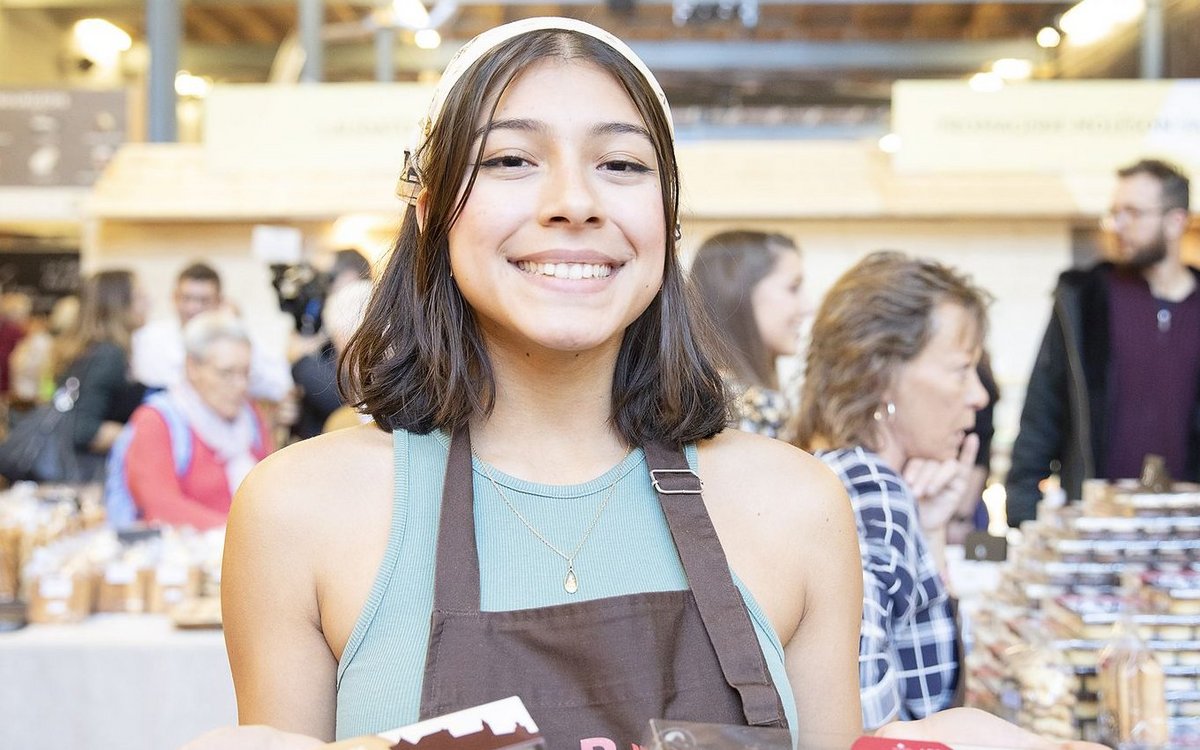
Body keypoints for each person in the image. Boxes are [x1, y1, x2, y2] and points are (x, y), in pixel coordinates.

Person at [210, 17, 863, 750]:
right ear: (431, 212)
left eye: (621, 164)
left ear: (668, 219)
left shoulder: (798, 506)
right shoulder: (298, 512)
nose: (574, 202)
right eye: (512, 159)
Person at [793, 251, 989, 730]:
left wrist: (931, 528)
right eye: (962, 369)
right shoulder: (870, 488)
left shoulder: (838, 476)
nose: (978, 395)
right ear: (881, 374)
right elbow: (868, 718)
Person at [1006, 159, 1196, 526]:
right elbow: (1042, 412)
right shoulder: (1083, 300)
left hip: (1187, 535)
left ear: (1175, 221)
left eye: (1133, 213)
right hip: (1097, 532)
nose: (1118, 226)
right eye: (1115, 213)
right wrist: (1024, 511)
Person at [106, 311, 273, 530]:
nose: (240, 385)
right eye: (226, 373)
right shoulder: (156, 421)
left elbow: (273, 487)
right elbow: (161, 508)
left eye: (245, 373)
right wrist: (239, 535)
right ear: (192, 367)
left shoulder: (250, 415)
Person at [688, 230, 809, 439]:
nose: (807, 306)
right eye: (793, 288)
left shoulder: (691, 395)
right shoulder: (756, 408)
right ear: (739, 292)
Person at [131, 261, 293, 403]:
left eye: (203, 300)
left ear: (219, 302)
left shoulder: (237, 341)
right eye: (186, 298)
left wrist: (233, 328)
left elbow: (280, 384)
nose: (193, 308)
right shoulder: (149, 339)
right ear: (174, 298)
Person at [53, 270, 149, 479]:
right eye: (139, 297)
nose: (148, 302)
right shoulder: (108, 355)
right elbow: (85, 430)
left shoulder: (88, 350)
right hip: (90, 475)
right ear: (118, 305)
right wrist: (147, 436)